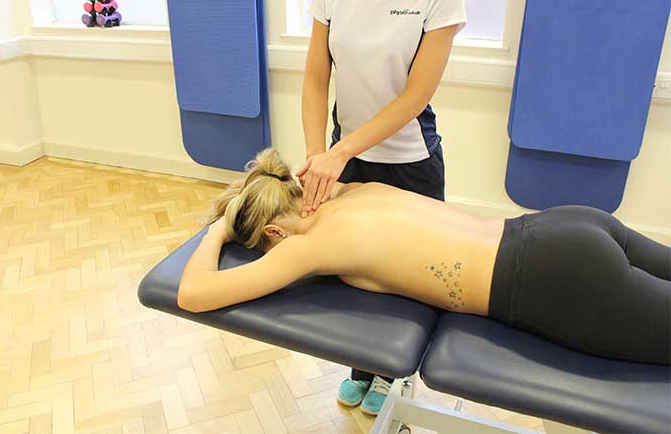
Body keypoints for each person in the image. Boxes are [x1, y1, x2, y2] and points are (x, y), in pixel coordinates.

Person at [177, 149, 671, 374]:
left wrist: (219, 231)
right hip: (562, 226)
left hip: (553, 282)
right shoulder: (354, 190)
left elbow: (193, 294)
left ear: (273, 232)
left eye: (268, 247)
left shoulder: (307, 244)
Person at [298, 0, 467, 412]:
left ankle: (392, 373)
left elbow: (416, 96)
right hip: (347, 159)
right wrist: (319, 154)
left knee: (405, 278)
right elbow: (316, 79)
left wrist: (338, 153)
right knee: (353, 275)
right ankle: (360, 365)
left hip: (411, 161)